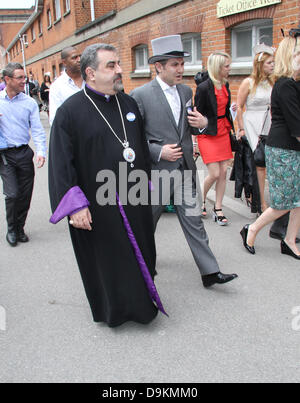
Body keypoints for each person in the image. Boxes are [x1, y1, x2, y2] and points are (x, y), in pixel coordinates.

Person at [49, 43, 166, 327]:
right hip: (97, 203)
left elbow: (136, 148)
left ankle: (141, 306)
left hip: (133, 195)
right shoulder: (69, 112)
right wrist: (75, 207)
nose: (120, 70)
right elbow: (61, 165)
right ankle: (115, 311)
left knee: (141, 251)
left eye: (118, 64)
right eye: (111, 66)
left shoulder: (127, 104)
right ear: (90, 73)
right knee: (109, 260)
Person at [131, 35, 237, 287]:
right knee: (147, 223)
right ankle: (140, 265)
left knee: (193, 222)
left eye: (182, 64)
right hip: (156, 173)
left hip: (185, 170)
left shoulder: (186, 91)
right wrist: (157, 151)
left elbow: (191, 127)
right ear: (159, 66)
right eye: (174, 65)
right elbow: (131, 142)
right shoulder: (140, 95)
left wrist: (202, 126)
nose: (181, 69)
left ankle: (210, 272)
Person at [240, 36, 300, 260]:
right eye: (298, 53)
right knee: (285, 202)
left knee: (298, 199)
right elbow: (296, 126)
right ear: (290, 57)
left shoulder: (294, 83)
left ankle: (290, 240)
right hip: (284, 149)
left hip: (293, 147)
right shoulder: (285, 85)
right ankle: (252, 228)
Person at [0, 63, 46, 246]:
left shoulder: (28, 103)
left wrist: (41, 151)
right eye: (19, 77)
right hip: (5, 155)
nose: (23, 81)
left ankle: (20, 228)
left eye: (24, 77)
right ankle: (11, 229)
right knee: (12, 194)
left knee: (25, 194)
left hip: (24, 153)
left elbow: (37, 129)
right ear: (7, 79)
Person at [194, 51, 235, 225]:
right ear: (217, 67)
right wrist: (194, 140)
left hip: (223, 131)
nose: (229, 69)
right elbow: (196, 115)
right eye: (226, 66)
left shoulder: (225, 85)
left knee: (224, 172)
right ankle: (199, 200)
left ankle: (218, 208)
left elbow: (225, 110)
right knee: (214, 173)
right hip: (208, 133)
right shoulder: (203, 88)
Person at [236, 44, 275, 213]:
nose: (272, 65)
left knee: (268, 162)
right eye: (269, 63)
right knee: (258, 163)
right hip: (252, 123)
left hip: (268, 122)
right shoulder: (248, 82)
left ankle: (267, 199)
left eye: (273, 62)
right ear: (260, 65)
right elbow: (238, 106)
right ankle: (260, 203)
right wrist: (241, 128)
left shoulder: (272, 82)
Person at [49, 46, 84, 125]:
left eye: (80, 56)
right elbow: (55, 119)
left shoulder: (91, 79)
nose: (79, 60)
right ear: (64, 62)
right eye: (74, 58)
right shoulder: (57, 87)